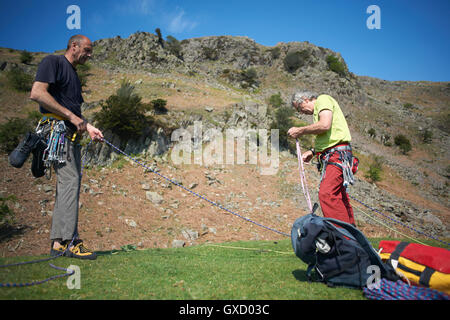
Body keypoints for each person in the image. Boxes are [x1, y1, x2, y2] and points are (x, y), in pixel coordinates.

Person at [30, 34, 104, 259]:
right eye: (87, 50)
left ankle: (58, 243)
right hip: (58, 133)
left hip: (70, 136)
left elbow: (73, 110)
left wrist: (88, 126)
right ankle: (71, 242)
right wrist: (72, 118)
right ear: (74, 46)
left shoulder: (73, 74)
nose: (89, 56)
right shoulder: (53, 62)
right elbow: (37, 93)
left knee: (67, 186)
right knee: (70, 183)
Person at [287, 91, 356, 225]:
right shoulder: (319, 110)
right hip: (335, 154)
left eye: (300, 108)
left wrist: (300, 130)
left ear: (305, 99)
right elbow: (330, 134)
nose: (301, 112)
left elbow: (325, 125)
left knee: (327, 194)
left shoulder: (323, 100)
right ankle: (353, 240)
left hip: (336, 156)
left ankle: (342, 237)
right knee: (340, 197)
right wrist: (313, 152)